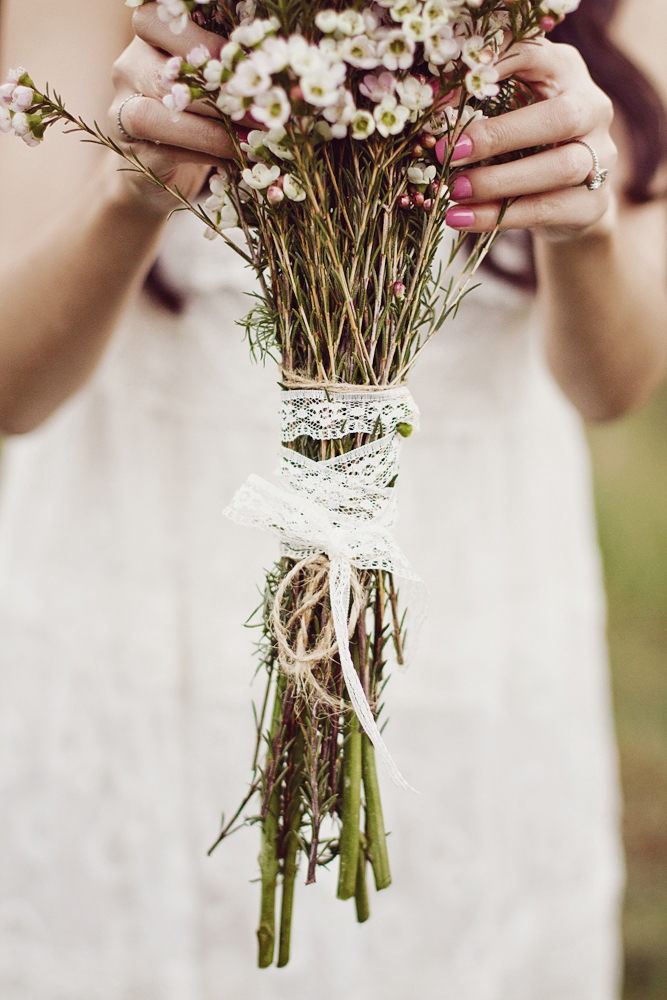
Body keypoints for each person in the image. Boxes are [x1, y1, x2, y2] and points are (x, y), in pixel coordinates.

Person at [0, 0, 665, 997]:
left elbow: (615, 387)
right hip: (138, 598)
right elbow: (12, 385)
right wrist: (128, 192)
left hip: (476, 613)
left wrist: (584, 217)